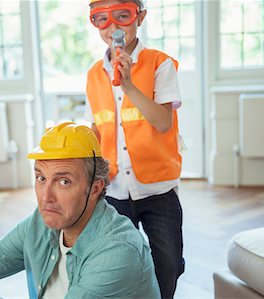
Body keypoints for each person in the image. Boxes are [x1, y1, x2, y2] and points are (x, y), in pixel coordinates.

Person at [0, 122, 160, 299]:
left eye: (63, 182)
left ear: (95, 188)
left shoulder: (118, 250)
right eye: (41, 178)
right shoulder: (41, 224)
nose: (46, 197)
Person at [85, 0, 185, 298]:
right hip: (115, 189)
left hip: (158, 189)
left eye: (122, 16)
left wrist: (128, 86)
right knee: (121, 263)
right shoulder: (93, 75)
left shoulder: (159, 63)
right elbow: (97, 129)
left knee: (167, 262)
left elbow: (163, 121)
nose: (113, 27)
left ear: (140, 17)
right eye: (102, 19)